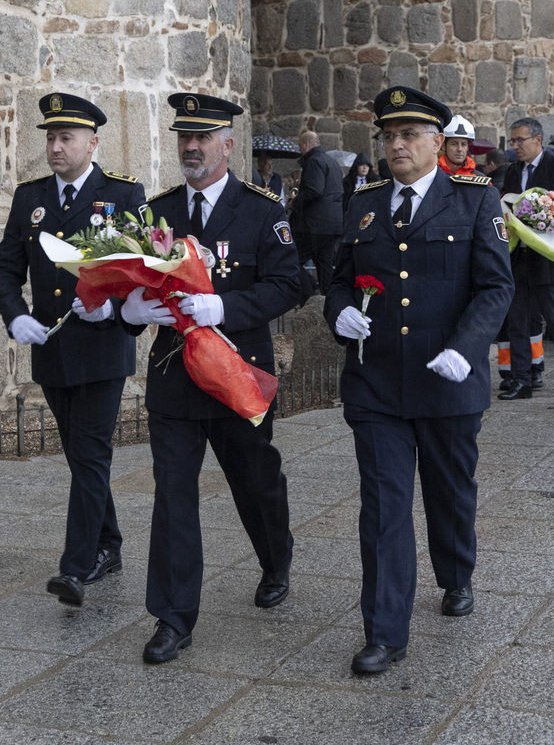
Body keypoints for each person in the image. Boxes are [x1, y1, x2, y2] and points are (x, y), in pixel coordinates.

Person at [323, 86, 513, 675]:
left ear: (439, 141)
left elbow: (495, 286)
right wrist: (339, 312)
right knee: (383, 506)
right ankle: (384, 631)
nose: (397, 145)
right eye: (388, 135)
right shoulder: (365, 199)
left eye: (409, 135)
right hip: (376, 382)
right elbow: (337, 279)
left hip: (447, 379)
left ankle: (456, 574)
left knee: (450, 492)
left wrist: (467, 349)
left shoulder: (475, 200)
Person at [120, 93, 302, 665]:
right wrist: (130, 311)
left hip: (236, 374)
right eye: (184, 138)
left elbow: (289, 284)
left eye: (203, 138)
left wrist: (224, 309)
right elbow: (130, 278)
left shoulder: (261, 210)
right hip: (174, 377)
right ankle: (173, 617)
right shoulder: (156, 212)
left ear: (228, 144)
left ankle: (275, 557)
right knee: (174, 495)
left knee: (255, 479)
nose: (191, 148)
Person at [0, 93, 146, 607]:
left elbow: (146, 269)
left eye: (66, 138)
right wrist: (16, 316)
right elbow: (6, 269)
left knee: (92, 452)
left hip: (102, 347)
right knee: (81, 456)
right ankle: (109, 544)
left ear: (92, 142)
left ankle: (75, 567)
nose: (55, 147)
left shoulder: (123, 194)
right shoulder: (29, 197)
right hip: (53, 349)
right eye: (51, 138)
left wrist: (116, 307)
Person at [499, 116, 554, 401]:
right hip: (520, 257)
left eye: (519, 140)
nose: (515, 146)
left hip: (548, 258)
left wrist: (548, 215)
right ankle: (522, 380)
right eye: (512, 141)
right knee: (517, 320)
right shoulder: (513, 172)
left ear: (538, 139)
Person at [290, 130, 344, 293]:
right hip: (332, 225)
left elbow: (314, 191)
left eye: (300, 146)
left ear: (306, 145)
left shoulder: (313, 161)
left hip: (314, 226)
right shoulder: (331, 162)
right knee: (325, 266)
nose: (300, 150)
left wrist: (294, 202)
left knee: (291, 261)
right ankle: (327, 303)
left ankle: (309, 292)